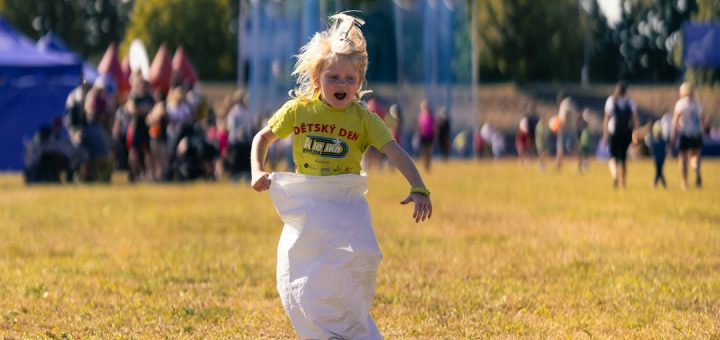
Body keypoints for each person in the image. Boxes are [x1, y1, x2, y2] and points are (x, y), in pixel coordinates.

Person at [250, 13, 432, 340]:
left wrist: (419, 187)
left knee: (358, 259)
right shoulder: (299, 111)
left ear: (359, 82)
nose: (342, 85)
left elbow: (394, 151)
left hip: (346, 203)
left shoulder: (364, 119)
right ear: (317, 77)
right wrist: (257, 170)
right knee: (306, 268)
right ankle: (319, 327)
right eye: (333, 77)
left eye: (350, 78)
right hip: (309, 203)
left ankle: (347, 322)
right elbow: (262, 138)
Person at [603, 81, 639, 189]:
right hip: (625, 133)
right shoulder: (630, 103)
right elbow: (634, 120)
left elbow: (606, 118)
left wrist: (605, 133)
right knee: (623, 160)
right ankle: (623, 184)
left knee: (612, 157)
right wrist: (635, 134)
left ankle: (615, 175)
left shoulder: (611, 101)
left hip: (613, 132)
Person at [671, 82, 705, 189]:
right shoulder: (698, 104)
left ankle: (684, 182)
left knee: (683, 158)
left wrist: (673, 137)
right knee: (694, 156)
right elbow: (703, 121)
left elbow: (675, 122)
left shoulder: (681, 104)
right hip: (696, 133)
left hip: (684, 133)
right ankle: (696, 169)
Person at [555, 91, 580, 170]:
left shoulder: (564, 104)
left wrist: (559, 126)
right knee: (574, 148)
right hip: (573, 129)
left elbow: (563, 117)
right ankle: (579, 163)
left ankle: (558, 166)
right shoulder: (572, 103)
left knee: (560, 148)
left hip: (564, 129)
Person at [645, 120, 668, 188]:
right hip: (659, 159)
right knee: (659, 171)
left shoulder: (659, 141)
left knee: (658, 172)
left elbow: (651, 148)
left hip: (659, 159)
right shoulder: (659, 141)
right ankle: (662, 184)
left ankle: (655, 184)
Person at [417, 99, 435, 171]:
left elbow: (434, 126)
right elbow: (419, 126)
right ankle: (425, 166)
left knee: (429, 152)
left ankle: (428, 166)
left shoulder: (431, 115)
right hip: (423, 135)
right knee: (424, 152)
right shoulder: (421, 115)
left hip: (430, 135)